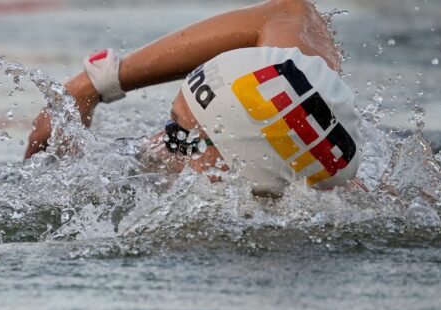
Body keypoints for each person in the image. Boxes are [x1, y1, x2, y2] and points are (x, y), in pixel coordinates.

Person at [25, 0, 366, 196]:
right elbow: (291, 13)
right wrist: (95, 84)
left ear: (236, 168)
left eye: (177, 137)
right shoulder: (305, 121)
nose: (157, 143)